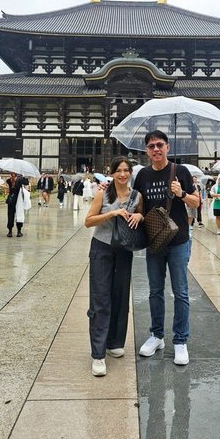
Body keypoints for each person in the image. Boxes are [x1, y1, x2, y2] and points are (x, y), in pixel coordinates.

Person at [134, 130, 198, 366]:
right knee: (155, 291)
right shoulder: (142, 175)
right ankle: (157, 335)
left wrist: (181, 193)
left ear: (168, 147)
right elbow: (138, 204)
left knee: (180, 292)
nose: (156, 149)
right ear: (147, 151)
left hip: (178, 240)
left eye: (160, 145)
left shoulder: (180, 171)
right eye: (151, 146)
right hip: (154, 241)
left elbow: (196, 201)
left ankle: (180, 340)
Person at [85, 156, 144, 377]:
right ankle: (98, 354)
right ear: (112, 173)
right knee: (101, 298)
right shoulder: (104, 193)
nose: (122, 174)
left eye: (126, 170)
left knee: (120, 296)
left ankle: (115, 341)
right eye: (118, 170)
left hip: (124, 250)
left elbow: (142, 216)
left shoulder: (137, 196)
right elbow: (88, 221)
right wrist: (111, 213)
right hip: (101, 248)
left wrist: (139, 214)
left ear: (130, 173)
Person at [6, 173, 30, 237]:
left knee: (10, 215)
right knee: (19, 215)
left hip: (11, 200)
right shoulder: (20, 180)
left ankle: (10, 232)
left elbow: (8, 182)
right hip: (18, 200)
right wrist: (23, 176)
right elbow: (27, 182)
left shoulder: (9, 180)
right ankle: (19, 232)